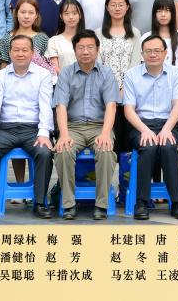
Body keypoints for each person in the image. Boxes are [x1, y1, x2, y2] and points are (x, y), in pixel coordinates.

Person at [0, 36, 55, 219]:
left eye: (25, 50)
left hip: (33, 129)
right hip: (6, 129)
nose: (20, 54)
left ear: (32, 52)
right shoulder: (0, 76)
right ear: (10, 52)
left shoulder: (43, 75)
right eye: (16, 50)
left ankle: (40, 203)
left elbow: (45, 106)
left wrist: (44, 133)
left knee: (44, 152)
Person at [52, 30, 120, 220]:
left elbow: (111, 106)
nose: (86, 51)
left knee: (105, 151)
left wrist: (105, 134)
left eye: (90, 47)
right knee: (63, 151)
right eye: (81, 47)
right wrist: (64, 134)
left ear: (97, 50)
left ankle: (101, 204)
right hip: (73, 127)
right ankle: (69, 204)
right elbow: (60, 106)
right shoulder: (66, 73)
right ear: (74, 50)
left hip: (100, 126)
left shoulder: (106, 73)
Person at [122, 34, 178, 220]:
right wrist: (145, 130)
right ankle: (141, 202)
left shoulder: (175, 73)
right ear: (142, 54)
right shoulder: (131, 74)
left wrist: (167, 129)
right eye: (149, 51)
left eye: (157, 51)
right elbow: (129, 110)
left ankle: (177, 202)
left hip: (169, 123)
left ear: (165, 53)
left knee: (168, 146)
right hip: (140, 124)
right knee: (149, 146)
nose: (153, 54)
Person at [97, 0, 143, 88]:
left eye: (121, 5)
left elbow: (135, 63)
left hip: (128, 87)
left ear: (127, 7)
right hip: (103, 86)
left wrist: (124, 87)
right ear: (107, 8)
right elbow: (97, 62)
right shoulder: (98, 33)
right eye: (113, 5)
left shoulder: (135, 33)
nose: (117, 8)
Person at [0, 0, 51, 68]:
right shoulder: (6, 39)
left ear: (36, 15)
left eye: (31, 13)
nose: (26, 16)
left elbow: (47, 66)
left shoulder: (43, 39)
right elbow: (4, 67)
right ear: (16, 13)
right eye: (23, 12)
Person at [141, 0, 178, 72]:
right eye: (159, 11)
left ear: (172, 13)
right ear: (154, 14)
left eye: (167, 10)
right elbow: (143, 67)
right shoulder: (146, 37)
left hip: (176, 79)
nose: (163, 14)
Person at [46, 0, 84, 74]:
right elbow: (55, 68)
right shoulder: (54, 41)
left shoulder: (89, 38)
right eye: (67, 13)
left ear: (80, 15)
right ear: (61, 16)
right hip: (63, 80)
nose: (71, 17)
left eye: (74, 13)